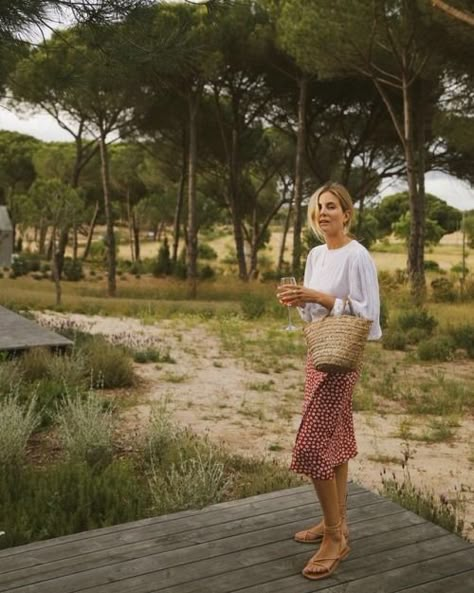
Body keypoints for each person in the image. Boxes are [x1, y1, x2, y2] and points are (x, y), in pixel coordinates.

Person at [277, 181, 381, 581]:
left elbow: (367, 314)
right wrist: (300, 302)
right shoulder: (316, 254)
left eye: (331, 206)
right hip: (317, 356)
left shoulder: (358, 256)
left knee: (313, 443)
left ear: (347, 213)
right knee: (333, 440)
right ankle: (334, 522)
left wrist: (320, 298)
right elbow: (310, 319)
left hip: (342, 361)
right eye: (318, 207)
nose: (323, 213)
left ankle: (336, 538)